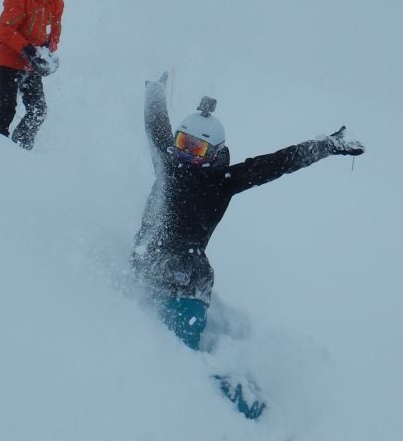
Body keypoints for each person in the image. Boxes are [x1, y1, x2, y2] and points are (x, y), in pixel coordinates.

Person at [131, 72, 365, 417]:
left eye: (196, 149)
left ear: (214, 154)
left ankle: (223, 396)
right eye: (182, 143)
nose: (186, 155)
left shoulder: (222, 182)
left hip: (188, 276)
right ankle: (185, 365)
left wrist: (326, 145)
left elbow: (277, 163)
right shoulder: (168, 162)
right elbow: (155, 124)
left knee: (180, 346)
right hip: (150, 260)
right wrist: (154, 87)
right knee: (158, 316)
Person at [0, 0, 65, 150]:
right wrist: (28, 51)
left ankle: (19, 150)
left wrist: (46, 54)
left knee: (38, 110)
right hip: (8, 57)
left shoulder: (57, 3)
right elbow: (6, 29)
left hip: (30, 63)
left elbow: (54, 34)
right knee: (7, 107)